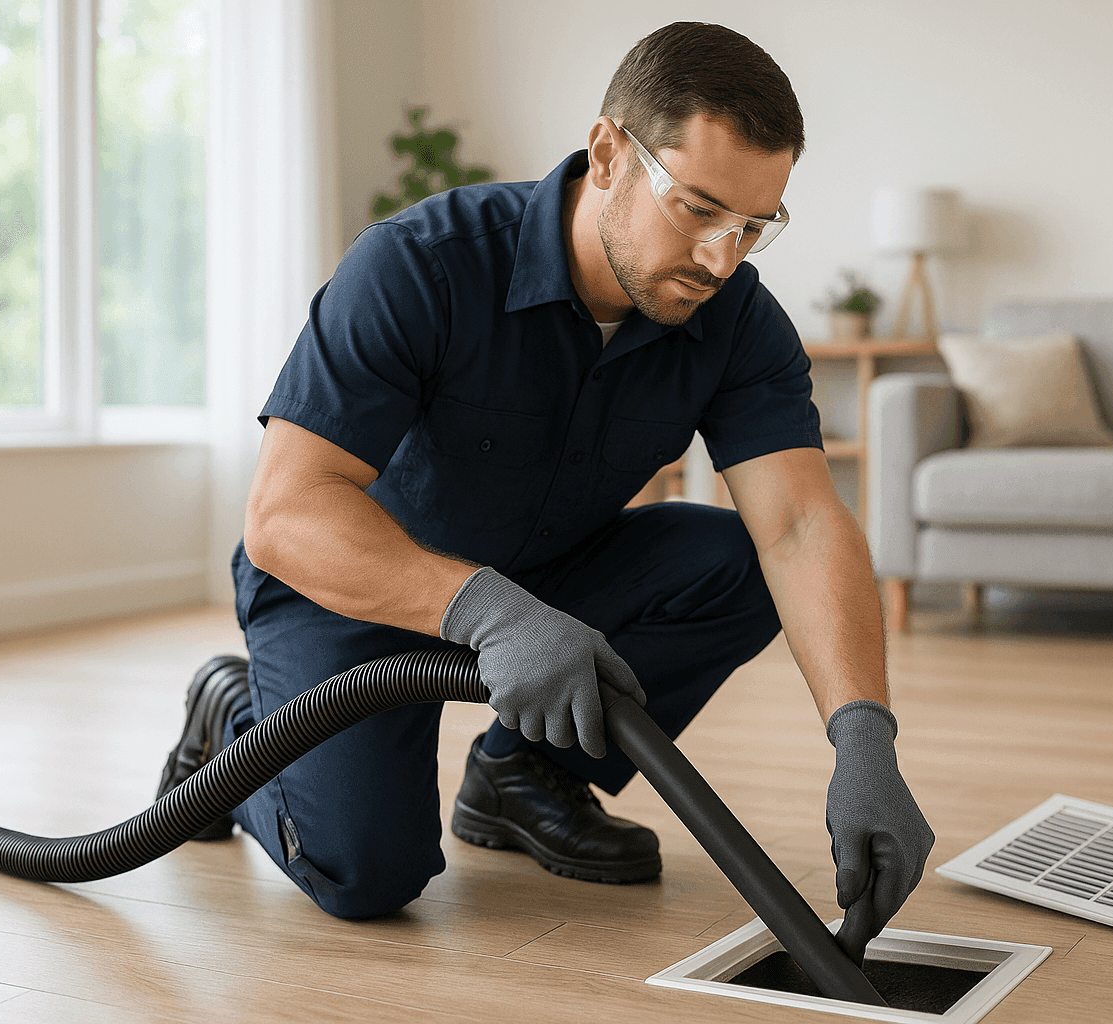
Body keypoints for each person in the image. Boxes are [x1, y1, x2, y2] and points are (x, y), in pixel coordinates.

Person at [158, 21, 934, 965]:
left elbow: (803, 527)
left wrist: (864, 741)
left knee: (735, 564)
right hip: (354, 589)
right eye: (697, 209)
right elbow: (286, 513)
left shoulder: (734, 319)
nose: (722, 257)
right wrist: (485, 610)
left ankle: (520, 776)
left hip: (547, 580)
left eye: (753, 225)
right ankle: (232, 719)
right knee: (366, 875)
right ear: (610, 153)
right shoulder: (421, 266)